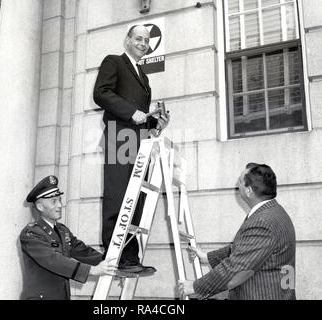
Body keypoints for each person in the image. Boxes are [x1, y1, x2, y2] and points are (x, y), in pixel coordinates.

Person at [93, 25, 170, 276]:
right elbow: (101, 93)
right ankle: (114, 255)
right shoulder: (113, 62)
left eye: (146, 40)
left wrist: (156, 122)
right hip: (119, 137)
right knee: (118, 195)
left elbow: (141, 116)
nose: (143, 43)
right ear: (127, 40)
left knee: (135, 196)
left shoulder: (144, 77)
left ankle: (130, 256)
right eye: (138, 38)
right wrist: (130, 112)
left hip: (140, 140)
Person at [178, 163, 296, 300]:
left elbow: (236, 268)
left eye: (240, 181)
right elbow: (244, 249)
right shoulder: (274, 212)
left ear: (249, 191)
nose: (237, 185)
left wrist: (195, 287)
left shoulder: (262, 222)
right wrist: (206, 257)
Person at [20, 175, 117, 300]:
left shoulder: (62, 230)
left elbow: (83, 252)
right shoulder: (31, 233)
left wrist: (111, 263)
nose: (60, 205)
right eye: (54, 201)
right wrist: (91, 271)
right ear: (40, 207)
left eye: (60, 200)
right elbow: (53, 260)